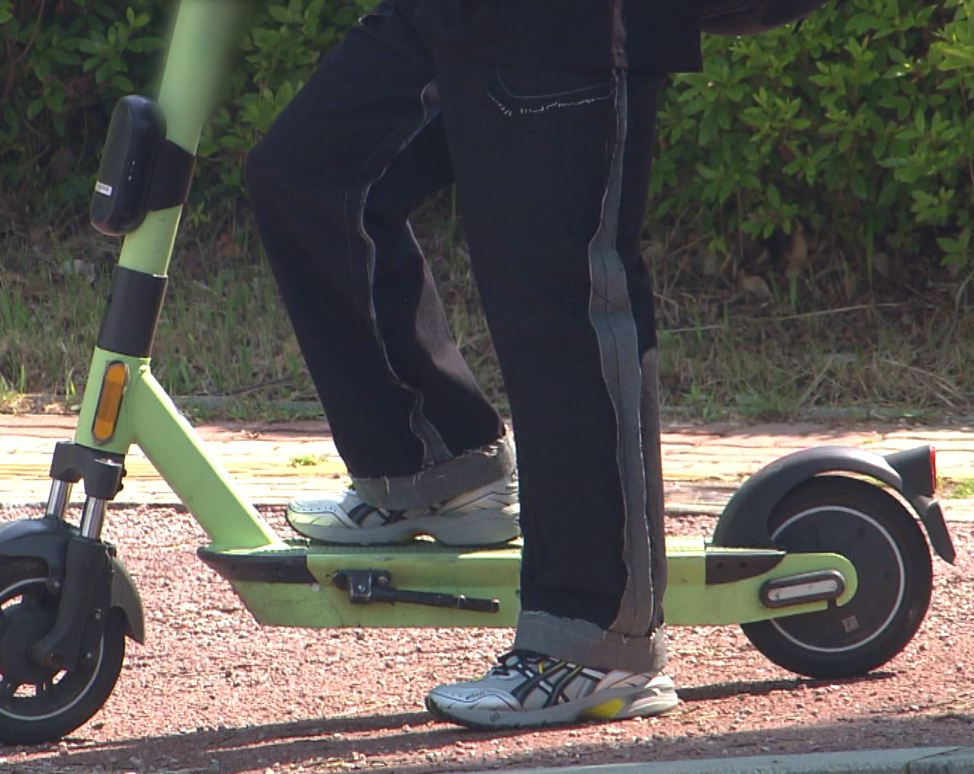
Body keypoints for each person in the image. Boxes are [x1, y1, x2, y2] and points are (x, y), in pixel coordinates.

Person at [244, 0, 701, 729]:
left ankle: (598, 636)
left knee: (561, 295)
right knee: (310, 182)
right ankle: (438, 470)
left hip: (568, 27)